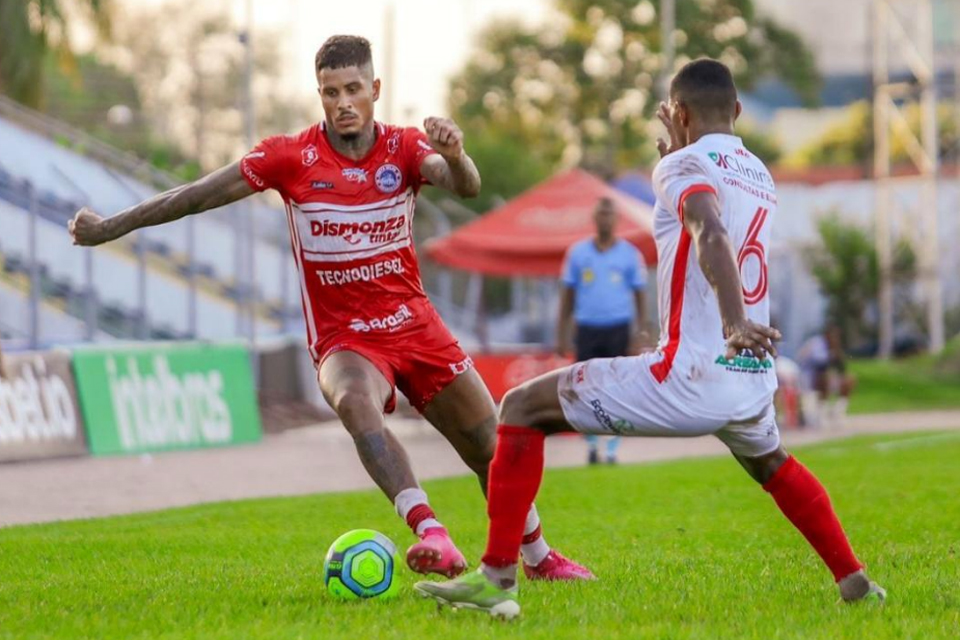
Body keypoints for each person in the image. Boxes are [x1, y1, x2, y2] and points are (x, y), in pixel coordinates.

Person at [68, 35, 591, 582]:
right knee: (354, 401)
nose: (342, 102)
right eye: (330, 92)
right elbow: (193, 195)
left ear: (375, 90)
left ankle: (537, 557)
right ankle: (430, 531)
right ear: (319, 95)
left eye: (353, 89)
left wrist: (457, 155)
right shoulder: (288, 157)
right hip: (348, 339)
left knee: (492, 445)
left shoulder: (405, 148)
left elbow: (465, 186)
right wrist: (110, 227)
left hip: (417, 327)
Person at [415, 58, 884, 618]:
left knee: (519, 406)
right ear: (735, 111)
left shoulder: (683, 165)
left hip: (690, 373)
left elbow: (707, 229)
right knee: (773, 464)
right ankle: (854, 579)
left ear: (678, 114)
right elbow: (707, 216)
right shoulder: (758, 171)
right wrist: (677, 166)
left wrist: (733, 322)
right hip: (748, 378)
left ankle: (497, 578)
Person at [557, 197, 647, 465]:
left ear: (616, 219)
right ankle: (593, 445)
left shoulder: (630, 254)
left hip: (618, 327)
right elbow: (567, 296)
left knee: (618, 389)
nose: (605, 219)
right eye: (601, 215)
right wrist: (560, 333)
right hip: (587, 328)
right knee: (585, 389)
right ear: (594, 219)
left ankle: (612, 448)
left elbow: (640, 295)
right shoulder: (578, 253)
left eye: (610, 215)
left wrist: (640, 331)